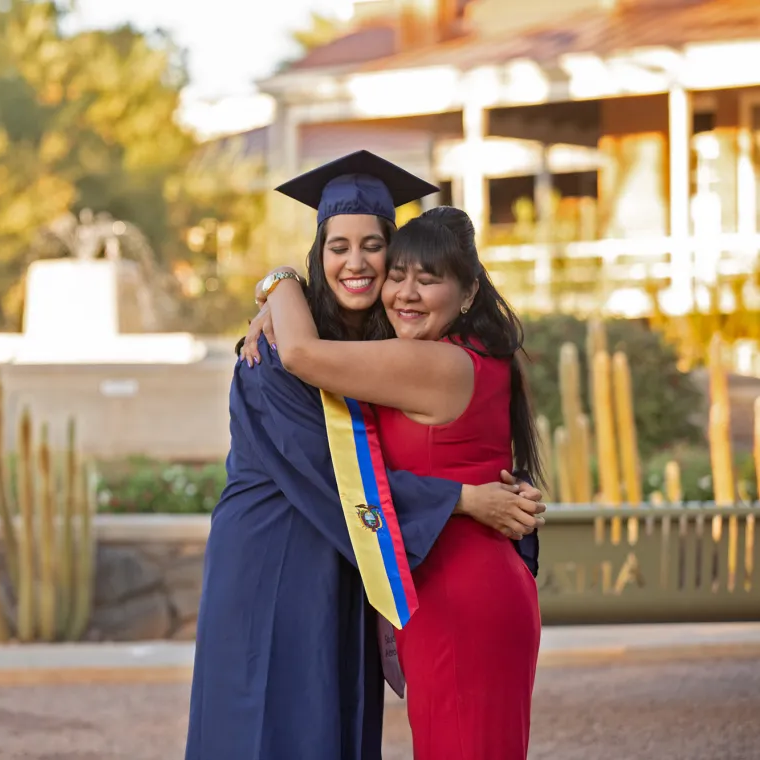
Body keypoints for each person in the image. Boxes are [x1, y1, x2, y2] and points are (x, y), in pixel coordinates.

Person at [185, 152, 545, 760]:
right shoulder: (275, 352)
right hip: (276, 556)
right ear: (317, 255)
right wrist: (463, 499)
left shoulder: (381, 347)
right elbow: (333, 475)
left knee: (336, 729)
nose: (356, 263)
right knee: (271, 730)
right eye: (338, 246)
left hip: (352, 556)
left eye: (374, 246)